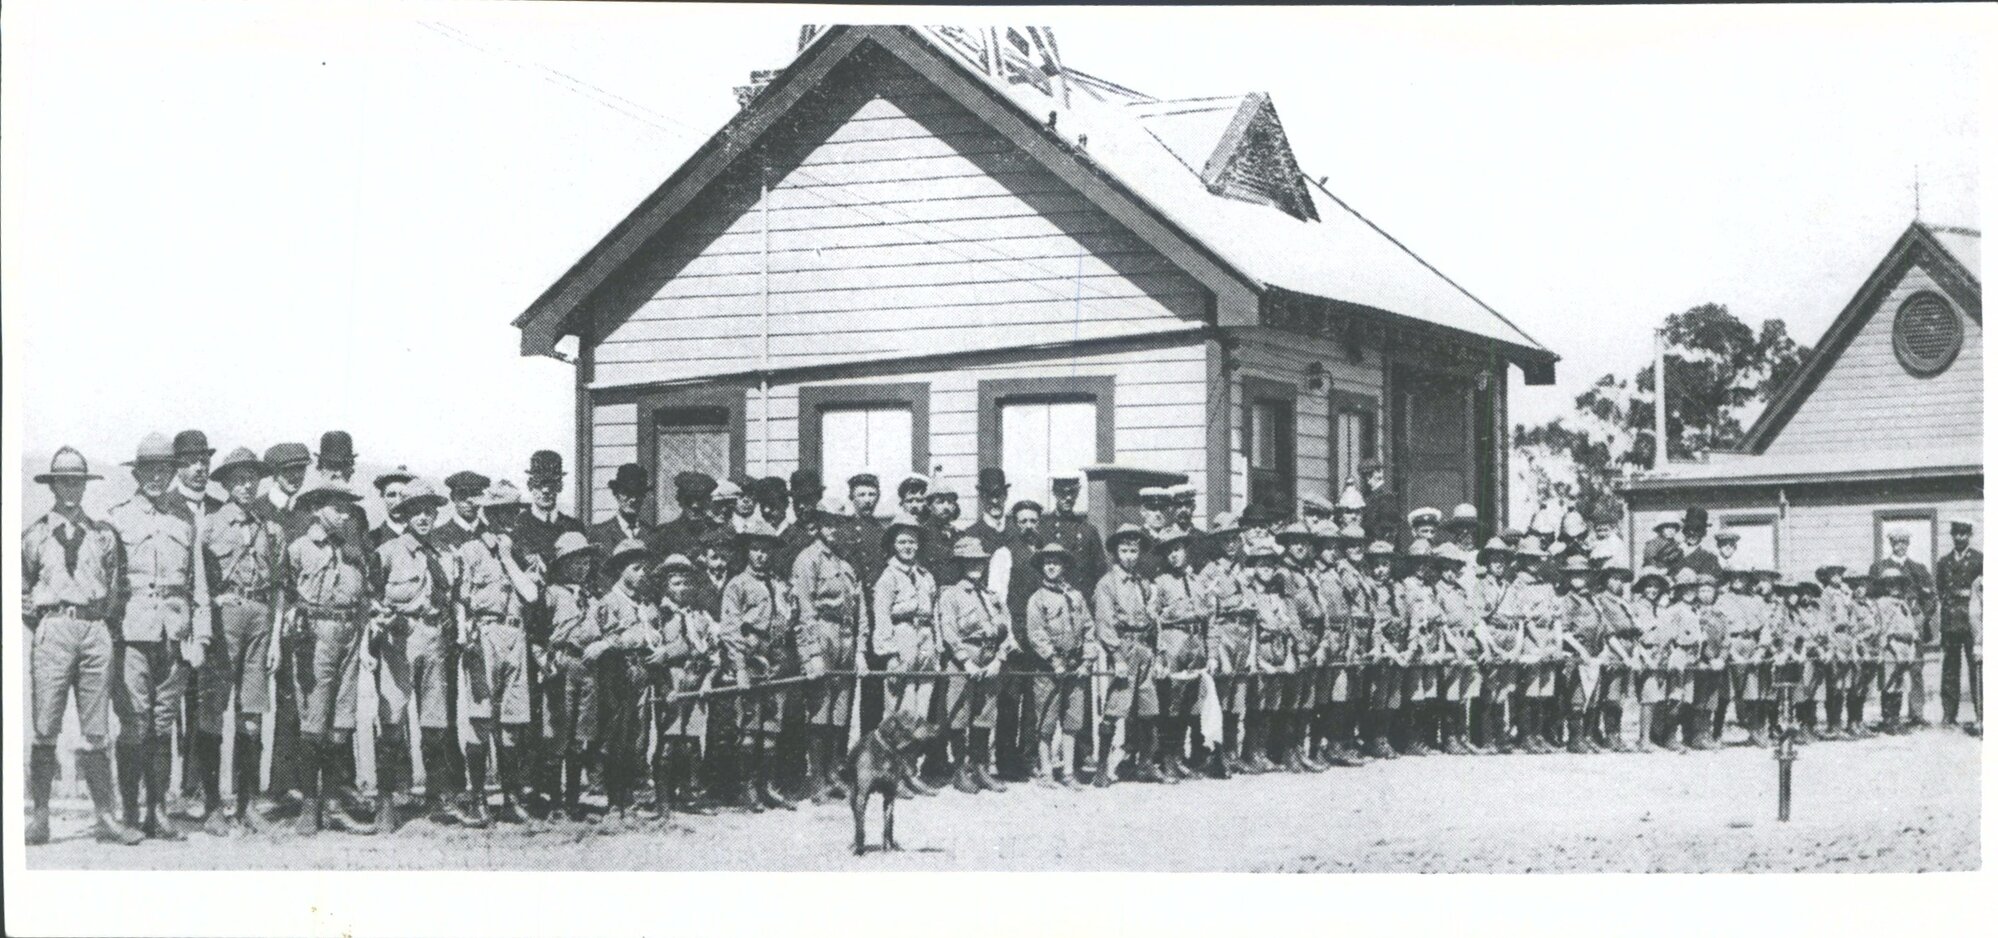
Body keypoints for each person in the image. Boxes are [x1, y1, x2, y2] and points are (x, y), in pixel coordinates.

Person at [23, 448, 146, 847]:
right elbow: (23, 591)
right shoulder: (35, 535)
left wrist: (97, 623)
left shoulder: (103, 535)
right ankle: (40, 817)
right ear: (52, 485)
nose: (70, 488)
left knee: (97, 729)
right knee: (45, 728)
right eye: (64, 481)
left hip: (94, 631)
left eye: (77, 481)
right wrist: (48, 621)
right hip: (53, 630)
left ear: (85, 485)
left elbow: (115, 587)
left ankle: (105, 818)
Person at [104, 434, 211, 840]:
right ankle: (130, 813)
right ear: (137, 473)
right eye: (148, 470)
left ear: (171, 473)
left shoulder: (185, 520)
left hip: (175, 636)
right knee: (134, 724)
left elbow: (197, 585)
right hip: (131, 636)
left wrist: (200, 636)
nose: (156, 477)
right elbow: (109, 582)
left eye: (163, 470)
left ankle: (159, 811)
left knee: (162, 725)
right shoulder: (117, 518)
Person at [280, 480, 376, 835]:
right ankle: (309, 807)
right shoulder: (299, 549)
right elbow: (286, 594)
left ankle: (334, 806)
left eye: (349, 508)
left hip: (350, 636)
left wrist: (364, 640)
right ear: (318, 509)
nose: (346, 513)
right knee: (313, 723)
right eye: (338, 507)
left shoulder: (353, 551)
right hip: (315, 637)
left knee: (342, 723)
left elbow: (364, 597)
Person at [368, 478, 458, 831]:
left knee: (435, 723)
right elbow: (372, 597)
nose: (423, 517)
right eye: (416, 510)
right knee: (392, 721)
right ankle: (386, 801)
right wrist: (381, 618)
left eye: (429, 510)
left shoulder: (443, 553)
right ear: (404, 514)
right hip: (399, 641)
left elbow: (450, 597)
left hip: (433, 639)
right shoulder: (387, 552)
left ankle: (435, 800)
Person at [451, 480, 540, 825]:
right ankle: (478, 798)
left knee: (512, 725)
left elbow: (530, 595)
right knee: (481, 719)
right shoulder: (470, 551)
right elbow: (460, 599)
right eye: (501, 512)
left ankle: (511, 797)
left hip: (515, 635)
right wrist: (464, 634)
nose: (508, 519)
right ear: (488, 514)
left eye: (513, 512)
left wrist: (507, 555)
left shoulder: (520, 551)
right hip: (484, 633)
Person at [722, 516, 801, 809]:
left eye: (766, 550)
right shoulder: (737, 585)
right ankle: (747, 787)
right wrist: (740, 667)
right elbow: (730, 628)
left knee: (772, 726)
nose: (761, 555)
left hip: (777, 659)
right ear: (747, 551)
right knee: (749, 726)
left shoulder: (779, 584)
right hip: (751, 658)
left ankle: (767, 785)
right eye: (756, 549)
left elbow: (791, 618)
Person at [790, 509, 864, 804]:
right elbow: (804, 610)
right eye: (830, 523)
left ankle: (834, 772)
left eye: (840, 524)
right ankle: (817, 778)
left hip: (845, 637)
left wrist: (859, 649)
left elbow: (859, 608)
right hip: (822, 633)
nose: (835, 529)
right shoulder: (807, 559)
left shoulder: (845, 563)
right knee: (820, 710)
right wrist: (812, 654)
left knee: (840, 710)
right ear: (819, 525)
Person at [586, 537, 656, 821]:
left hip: (642, 674)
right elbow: (597, 640)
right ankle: (614, 800)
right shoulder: (609, 603)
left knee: (637, 737)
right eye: (637, 568)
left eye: (644, 569)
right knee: (616, 735)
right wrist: (624, 640)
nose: (643, 574)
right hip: (618, 675)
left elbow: (653, 634)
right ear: (622, 570)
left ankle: (630, 795)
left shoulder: (645, 604)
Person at [934, 537, 1011, 794]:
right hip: (962, 661)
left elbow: (1006, 631)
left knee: (984, 715)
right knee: (959, 715)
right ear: (960, 564)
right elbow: (949, 632)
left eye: (979, 560)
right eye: (969, 561)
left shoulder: (992, 597)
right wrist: (965, 662)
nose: (976, 565)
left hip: (990, 660)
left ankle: (980, 768)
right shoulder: (951, 596)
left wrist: (999, 659)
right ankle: (959, 770)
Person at [649, 554, 721, 815]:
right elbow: (653, 657)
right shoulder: (657, 615)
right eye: (676, 583)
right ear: (666, 585)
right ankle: (663, 798)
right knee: (668, 740)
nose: (682, 589)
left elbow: (713, 655)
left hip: (696, 681)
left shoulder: (701, 618)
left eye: (687, 583)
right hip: (671, 682)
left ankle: (689, 793)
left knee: (691, 740)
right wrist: (665, 688)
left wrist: (709, 681)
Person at [1020, 542, 1096, 789]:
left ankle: (1068, 771)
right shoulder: (1037, 599)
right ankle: (1045, 772)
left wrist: (1087, 660)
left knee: (1072, 721)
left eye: (1056, 562)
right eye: (1047, 562)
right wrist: (1053, 659)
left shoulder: (1076, 596)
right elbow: (1036, 634)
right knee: (1046, 721)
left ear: (1064, 566)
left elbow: (1088, 628)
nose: (1051, 566)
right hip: (1048, 669)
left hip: (1075, 666)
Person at [1093, 524, 1162, 785]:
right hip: (1122, 648)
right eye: (1124, 550)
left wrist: (1157, 653)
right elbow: (1104, 622)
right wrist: (1117, 657)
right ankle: (1101, 769)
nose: (1130, 556)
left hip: (1144, 647)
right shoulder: (1108, 584)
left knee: (1148, 708)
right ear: (1115, 552)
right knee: (1115, 707)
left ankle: (1144, 763)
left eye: (1134, 550)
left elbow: (1152, 618)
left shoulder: (1143, 583)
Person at [538, 532, 600, 821]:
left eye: (585, 562)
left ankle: (574, 801)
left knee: (580, 737)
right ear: (561, 564)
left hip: (588, 671)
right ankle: (555, 804)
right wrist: (545, 664)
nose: (581, 567)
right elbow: (536, 636)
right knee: (557, 737)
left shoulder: (592, 598)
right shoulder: (550, 595)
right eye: (574, 561)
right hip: (561, 668)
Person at [1498, 543, 1560, 753]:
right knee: (1530, 690)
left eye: (1537, 559)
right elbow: (1525, 618)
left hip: (1548, 637)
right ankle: (1526, 735)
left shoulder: (1546, 585)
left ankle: (1539, 733)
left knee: (1544, 690)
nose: (1534, 563)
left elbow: (1555, 613)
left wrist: (1554, 643)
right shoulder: (1517, 585)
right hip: (1530, 640)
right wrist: (1540, 644)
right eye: (1530, 559)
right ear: (1522, 560)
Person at [1555, 555, 1606, 754]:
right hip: (1576, 653)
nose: (1578, 578)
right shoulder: (1568, 600)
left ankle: (1587, 735)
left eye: (1582, 574)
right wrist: (1581, 650)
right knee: (1577, 697)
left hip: (1593, 654)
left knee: (1592, 697)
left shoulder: (1592, 599)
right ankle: (1575, 738)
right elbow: (1565, 631)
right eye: (1573, 575)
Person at [1934, 520, 1983, 728]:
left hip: (1973, 619)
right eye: (1956, 534)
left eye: (1964, 534)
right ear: (1952, 536)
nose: (1960, 537)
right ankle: (1949, 715)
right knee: (1950, 669)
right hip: (1951, 620)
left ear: (1969, 535)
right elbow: (1940, 590)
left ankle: (1982, 715)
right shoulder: (1943, 562)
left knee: (1977, 667)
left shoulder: (1980, 559)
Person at [1360, 541, 1406, 760]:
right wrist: (1389, 649)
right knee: (1377, 695)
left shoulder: (1397, 588)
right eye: (1376, 565)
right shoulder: (1368, 588)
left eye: (1385, 564)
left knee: (1392, 696)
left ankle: (1385, 736)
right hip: (1378, 648)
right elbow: (1374, 624)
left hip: (1397, 648)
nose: (1380, 569)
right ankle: (1374, 739)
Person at [1873, 564, 1922, 734]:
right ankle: (1888, 720)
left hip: (1905, 647)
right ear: (1884, 586)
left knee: (1900, 683)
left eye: (1897, 583)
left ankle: (1895, 718)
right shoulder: (1881, 604)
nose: (1894, 587)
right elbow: (1883, 627)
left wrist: (1912, 635)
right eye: (1890, 583)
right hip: (1891, 647)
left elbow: (1909, 624)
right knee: (1889, 682)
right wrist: (1891, 639)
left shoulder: (1903, 604)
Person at [1041, 472, 1107, 591]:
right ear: (1054, 493)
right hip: (1053, 597)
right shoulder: (1044, 528)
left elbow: (1100, 569)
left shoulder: (1088, 530)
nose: (1068, 498)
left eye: (1072, 492)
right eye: (1063, 493)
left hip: (1082, 598)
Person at [651, 470, 716, 562]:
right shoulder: (663, 535)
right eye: (688, 500)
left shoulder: (716, 532)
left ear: (708, 502)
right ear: (680, 501)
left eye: (700, 499)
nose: (695, 505)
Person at [961, 468, 1011, 554]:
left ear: (1005, 495)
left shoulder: (1016, 529)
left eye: (998, 495)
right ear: (981, 497)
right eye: (988, 496)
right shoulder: (971, 533)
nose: (994, 501)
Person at [369, 467, 417, 549]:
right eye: (391, 495)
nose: (398, 501)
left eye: (404, 496)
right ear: (382, 496)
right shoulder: (371, 540)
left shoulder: (422, 538)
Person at [1357, 459, 1400, 546]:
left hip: (1378, 543)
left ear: (1379, 473)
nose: (1367, 478)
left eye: (1370, 474)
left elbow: (1388, 526)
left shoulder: (1386, 495)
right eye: (1364, 475)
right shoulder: (1366, 495)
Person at [1674, 509, 1723, 580]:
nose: (1692, 534)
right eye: (1689, 530)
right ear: (1684, 531)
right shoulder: (1674, 552)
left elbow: (1714, 579)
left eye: (1697, 530)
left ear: (1703, 533)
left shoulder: (1709, 557)